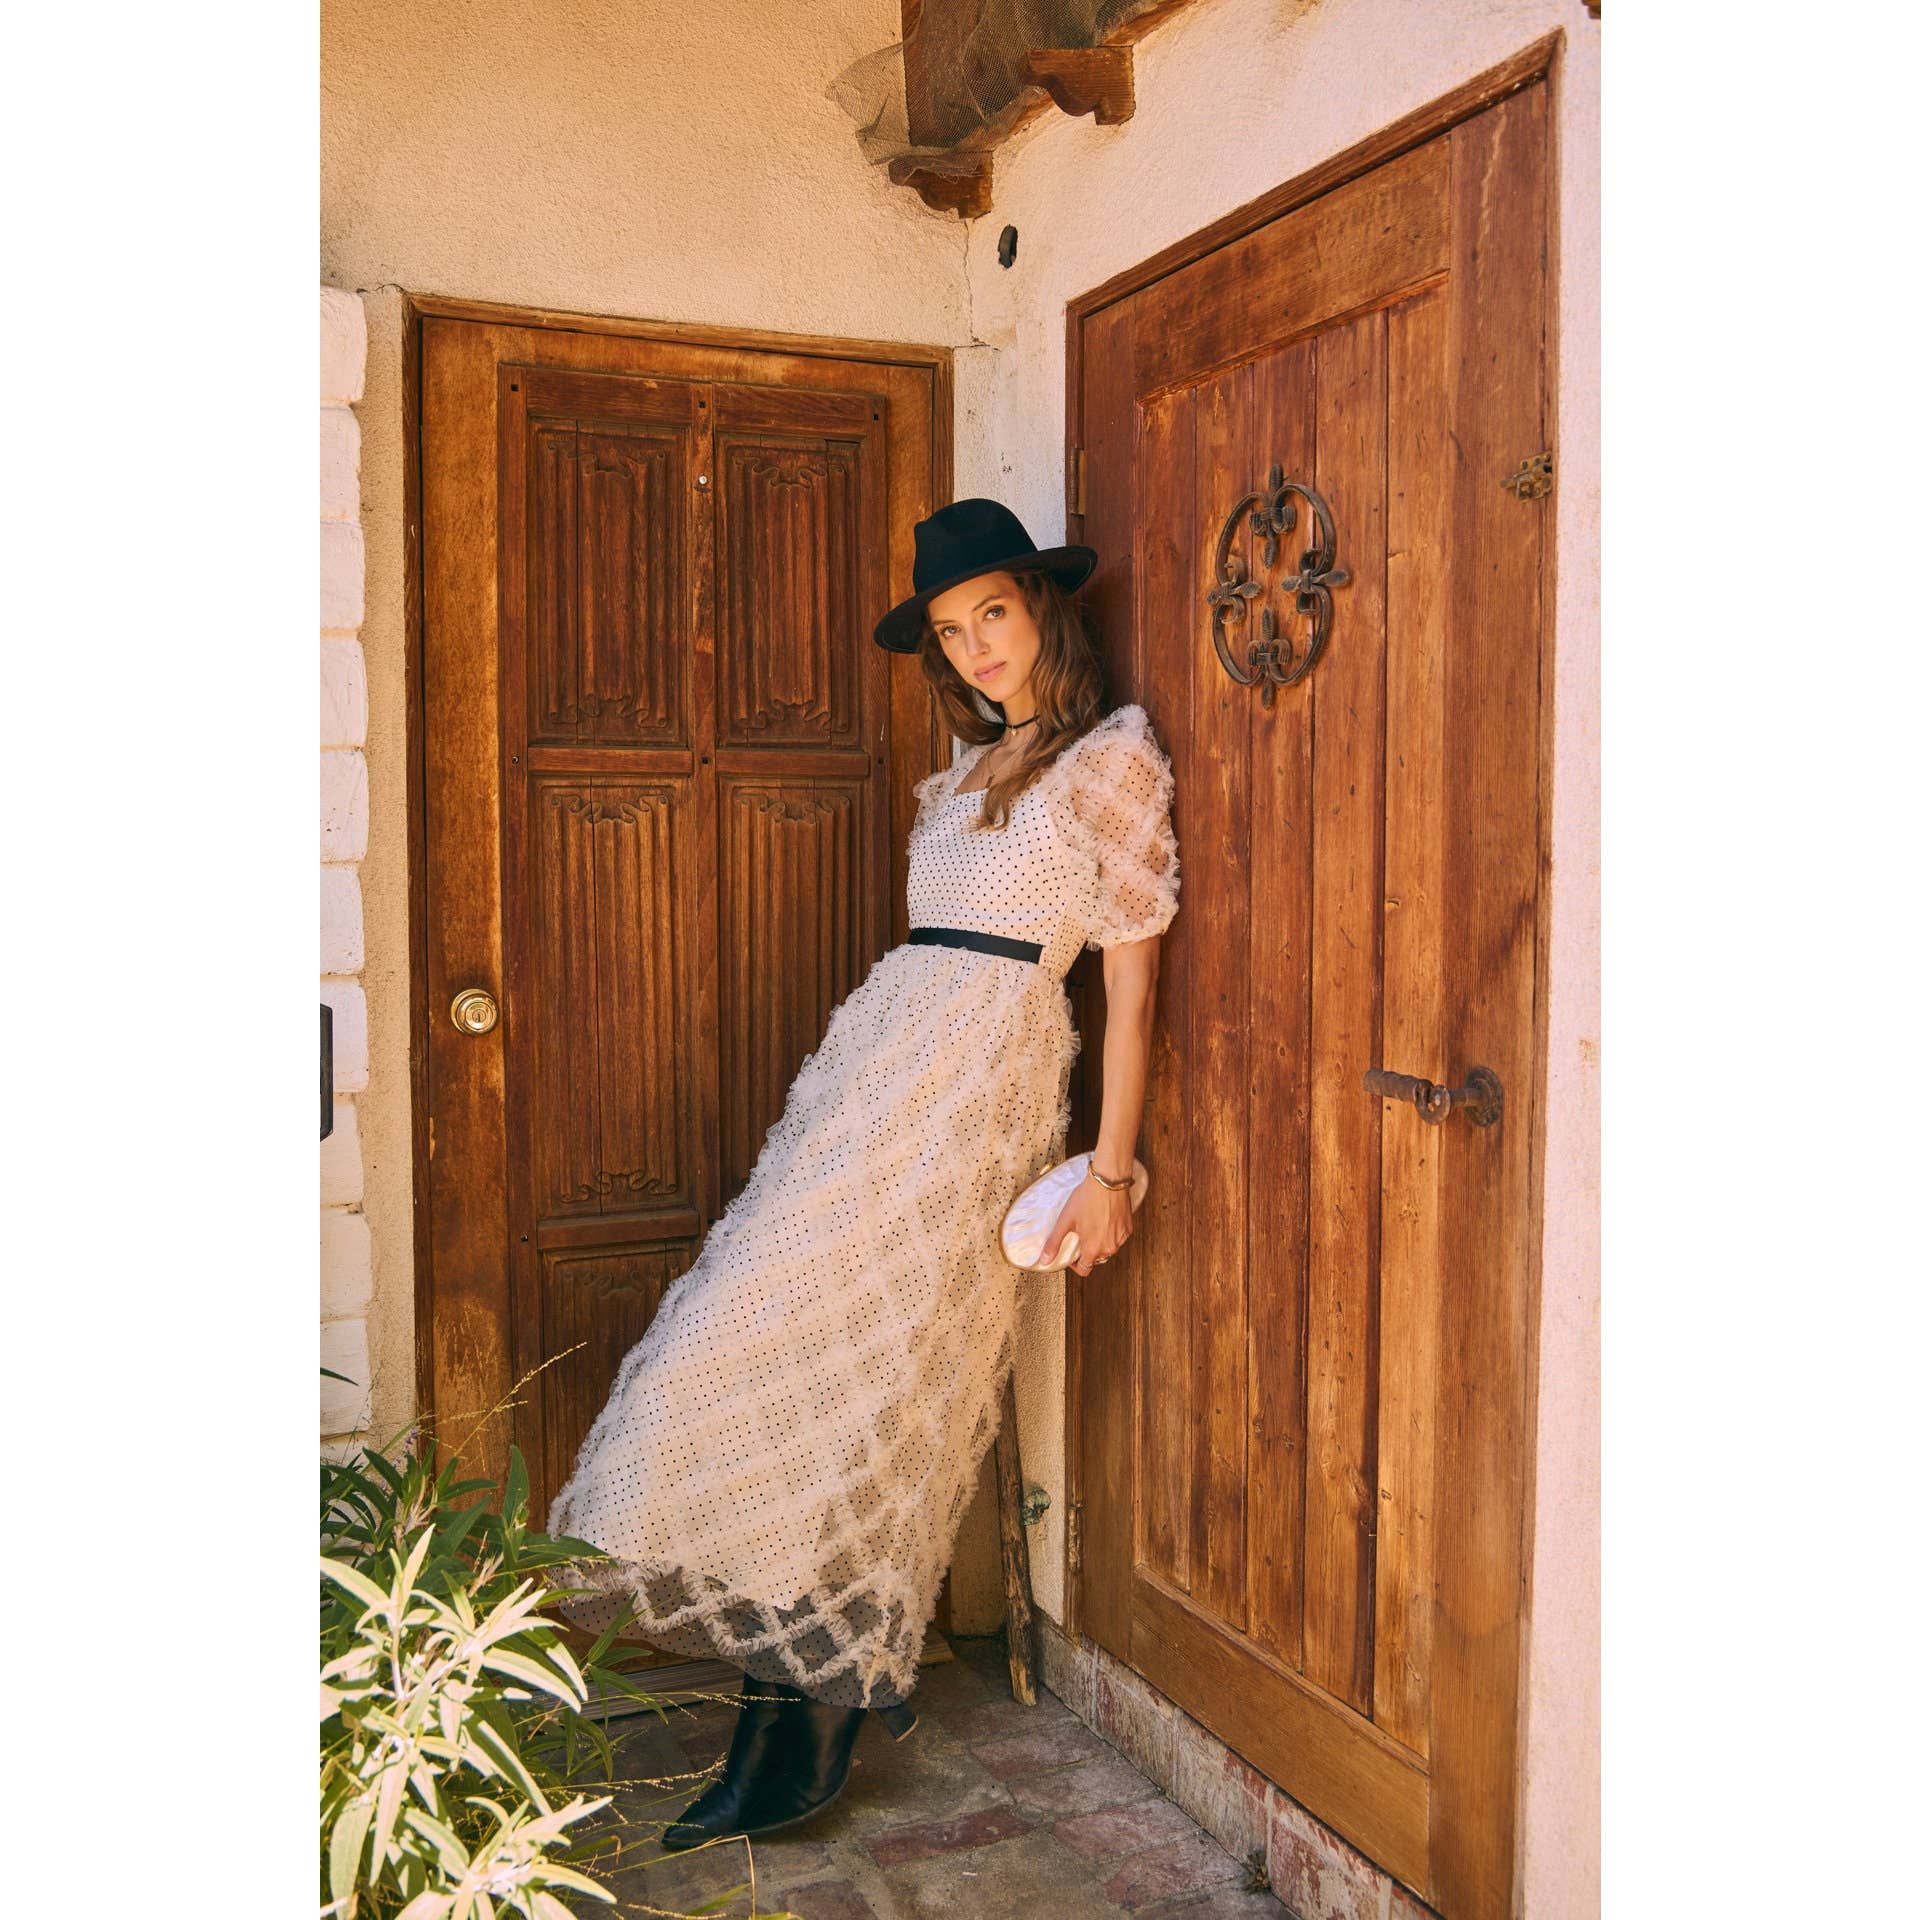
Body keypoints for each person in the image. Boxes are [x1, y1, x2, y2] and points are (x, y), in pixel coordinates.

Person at [546, 496, 1181, 1848]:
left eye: (993, 616)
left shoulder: (1110, 764)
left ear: (1042, 609)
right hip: (874, 1079)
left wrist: (1108, 1173)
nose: (977, 650)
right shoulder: (952, 782)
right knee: (762, 1342)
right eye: (952, 635)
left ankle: (817, 1702)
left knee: (880, 1375)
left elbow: (1129, 995)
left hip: (982, 1091)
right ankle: (786, 1689)